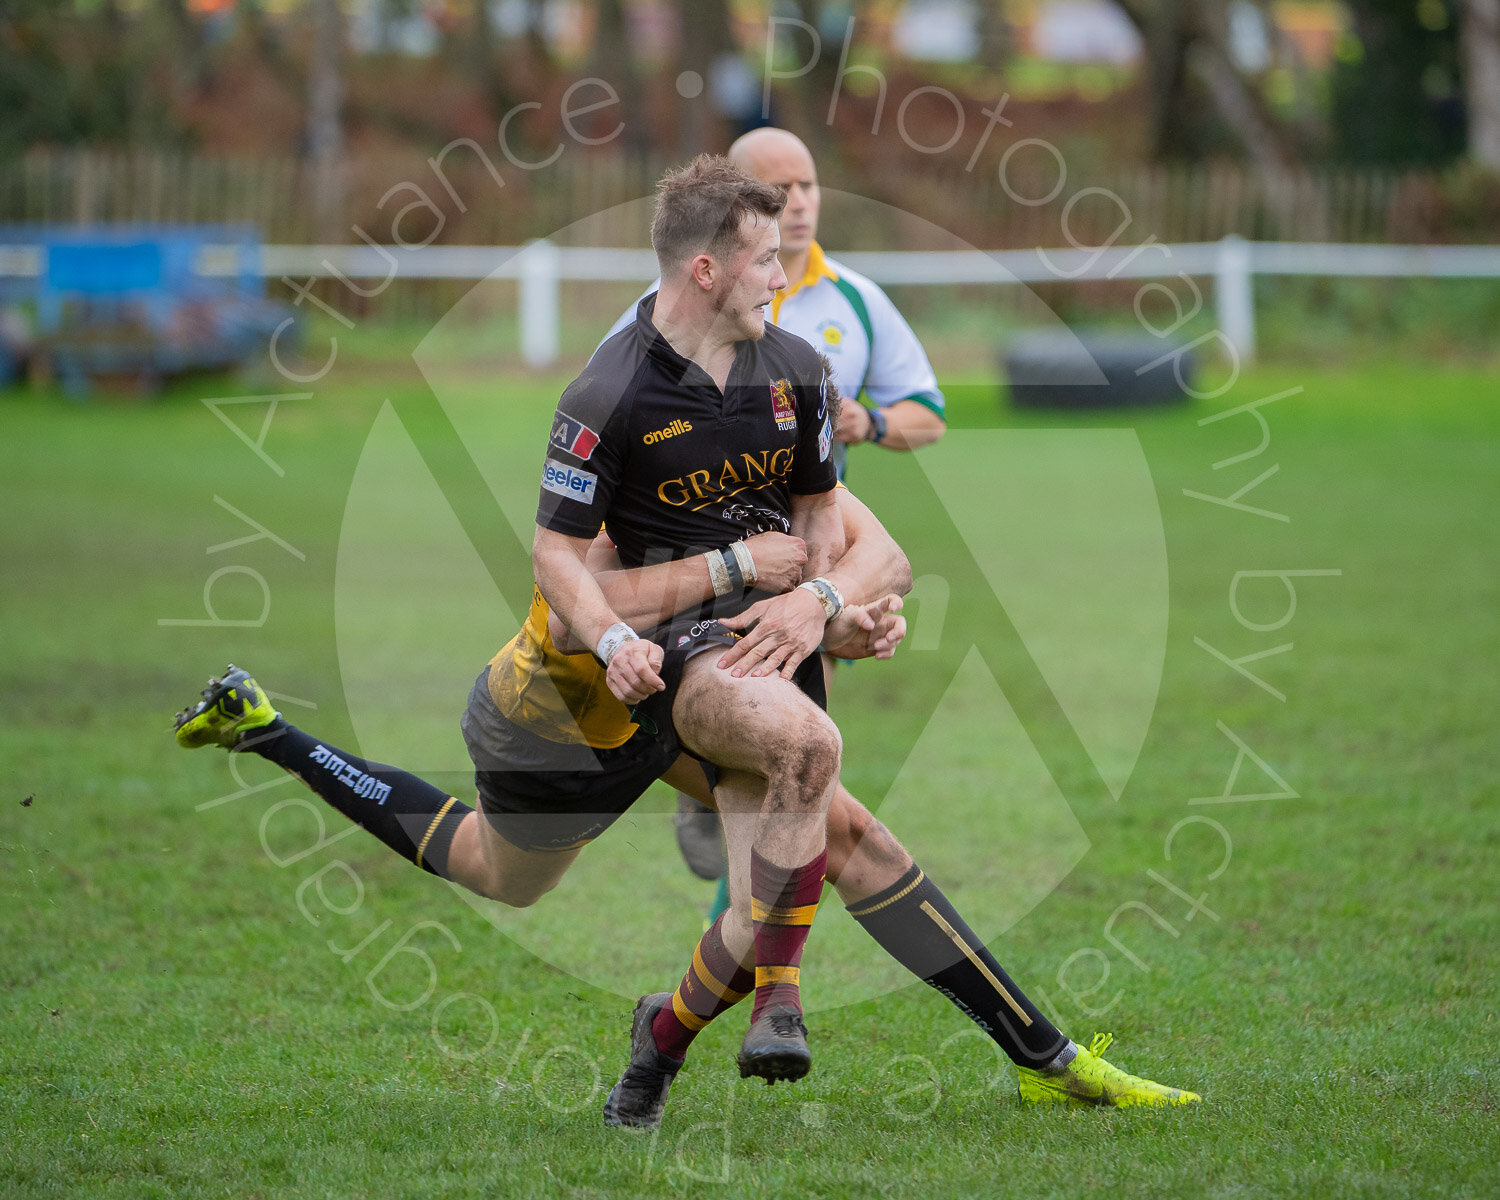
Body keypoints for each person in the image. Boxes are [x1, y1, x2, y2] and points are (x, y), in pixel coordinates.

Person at [171, 483, 1200, 1131]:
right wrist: (770, 593)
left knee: (841, 831)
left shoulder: (779, 418)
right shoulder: (635, 446)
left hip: (688, 704)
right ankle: (269, 729)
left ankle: (1041, 1056)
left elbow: (878, 550)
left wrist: (834, 607)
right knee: (494, 869)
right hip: (566, 722)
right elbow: (598, 609)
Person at [638, 127, 951, 882]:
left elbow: (929, 414)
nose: (799, 204)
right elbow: (612, 409)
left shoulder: (857, 301)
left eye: (807, 185)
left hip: (813, 534)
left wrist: (868, 423)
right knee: (770, 743)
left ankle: (754, 922)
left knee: (802, 729)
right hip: (699, 545)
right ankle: (720, 801)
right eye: (778, 192)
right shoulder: (675, 301)